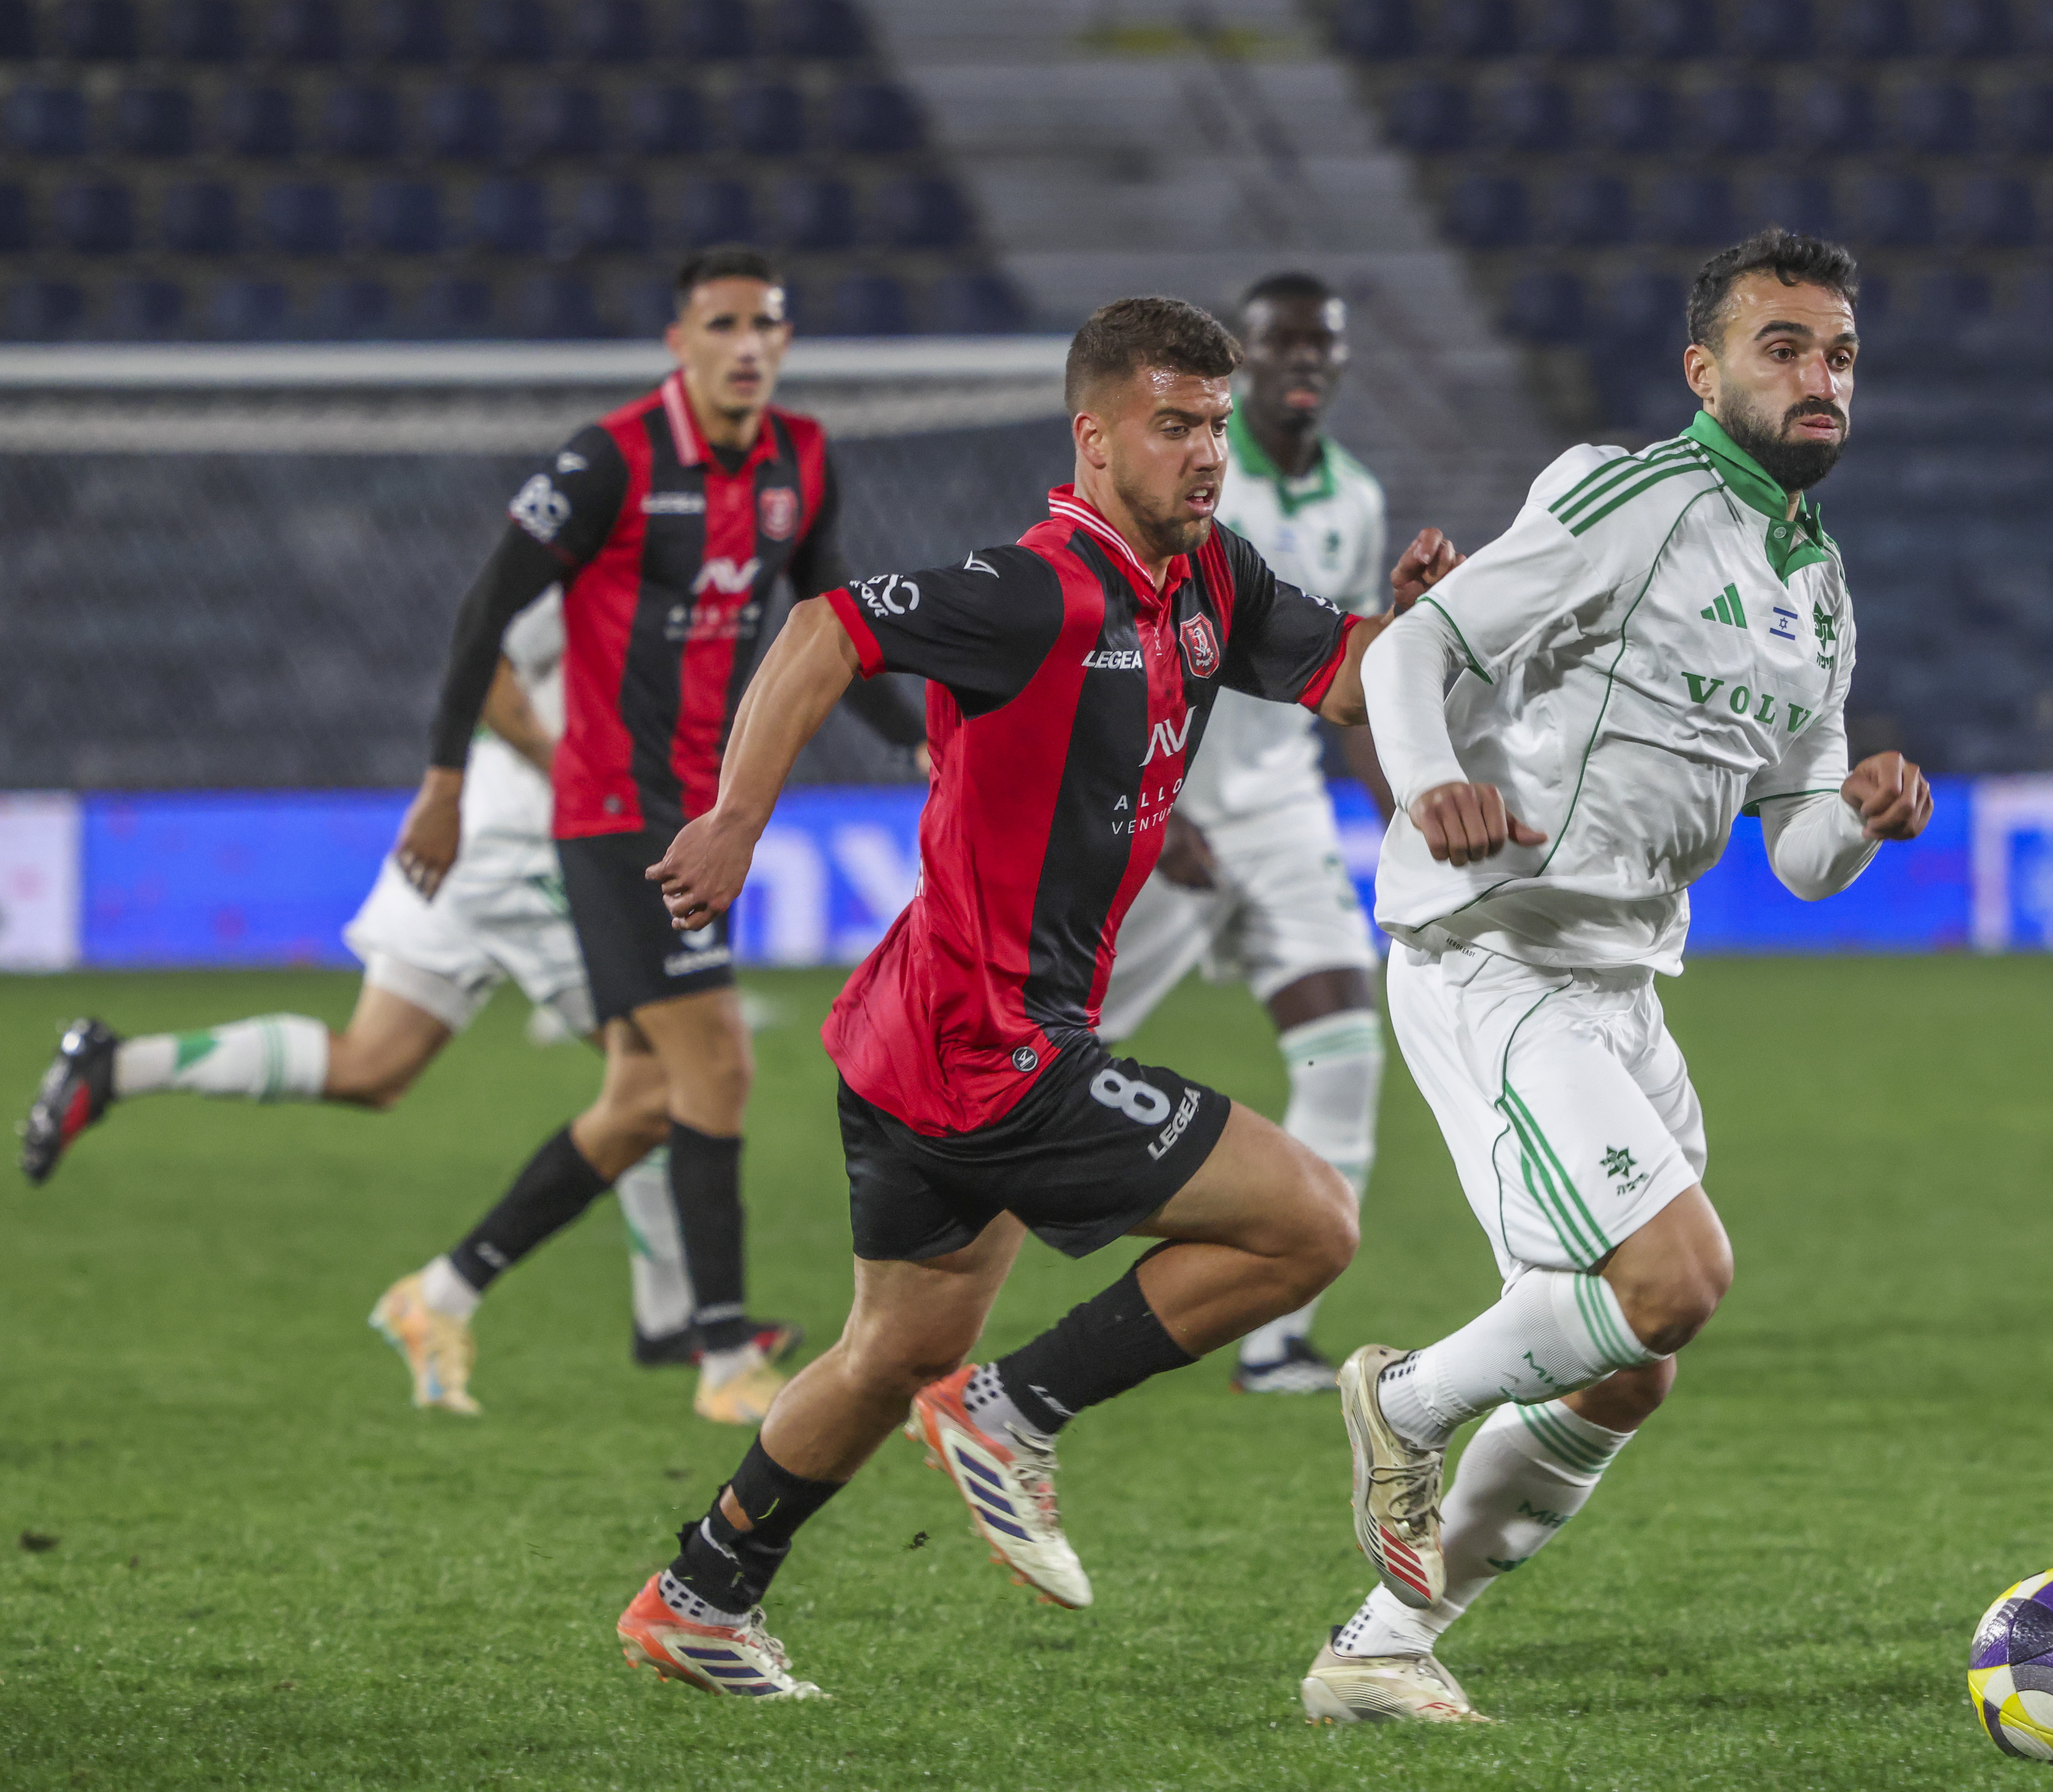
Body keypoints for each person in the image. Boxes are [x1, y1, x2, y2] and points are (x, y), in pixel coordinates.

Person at [610, 295, 1460, 1701]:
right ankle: (1014, 1411)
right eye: (1172, 427)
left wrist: (1416, 633)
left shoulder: (1209, 582)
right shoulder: (1035, 590)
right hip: (983, 1048)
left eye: (1217, 429)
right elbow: (825, 628)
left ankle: (702, 1590)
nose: (1203, 456)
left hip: (908, 1036)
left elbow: (1353, 675)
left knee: (889, 1347)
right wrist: (736, 820)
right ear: (1095, 435)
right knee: (1309, 1221)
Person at [1301, 229, 1935, 1723]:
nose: (1818, 375)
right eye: (1782, 345)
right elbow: (1408, 657)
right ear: (1702, 369)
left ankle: (1382, 1644)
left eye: (1838, 351)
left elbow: (1793, 859)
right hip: (1495, 951)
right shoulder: (1627, 494)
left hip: (1623, 981)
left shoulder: (1817, 585)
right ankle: (1400, 1399)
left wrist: (1855, 818)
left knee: (1627, 1366)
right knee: (1674, 1278)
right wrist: (1427, 786)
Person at [15, 590, 803, 1410]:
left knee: (373, 1065)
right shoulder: (616, 544)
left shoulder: (713, 543)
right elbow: (485, 655)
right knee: (669, 1077)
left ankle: (116, 1065)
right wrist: (566, 760)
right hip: (534, 848)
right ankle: (616, 1314)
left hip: (484, 844)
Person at [388, 244, 920, 1426]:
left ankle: (440, 1291)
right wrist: (443, 781)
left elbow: (831, 623)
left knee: (641, 1095)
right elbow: (486, 608)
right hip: (615, 810)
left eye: (766, 325)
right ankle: (726, 1356)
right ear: (679, 341)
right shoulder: (608, 459)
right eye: (722, 324)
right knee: (718, 1064)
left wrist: (917, 738)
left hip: (706, 807)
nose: (747, 346)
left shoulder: (802, 460)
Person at [1096, 270, 1396, 1395]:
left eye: (1324, 344)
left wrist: (1404, 815)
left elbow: (1351, 679)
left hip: (1277, 814)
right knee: (1042, 1066)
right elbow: (1124, 643)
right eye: (1283, 346)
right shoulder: (1194, 480)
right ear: (1247, 365)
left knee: (1344, 1050)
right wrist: (1152, 799)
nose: (1306, 362)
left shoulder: (1357, 499)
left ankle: (1275, 1339)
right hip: (1157, 810)